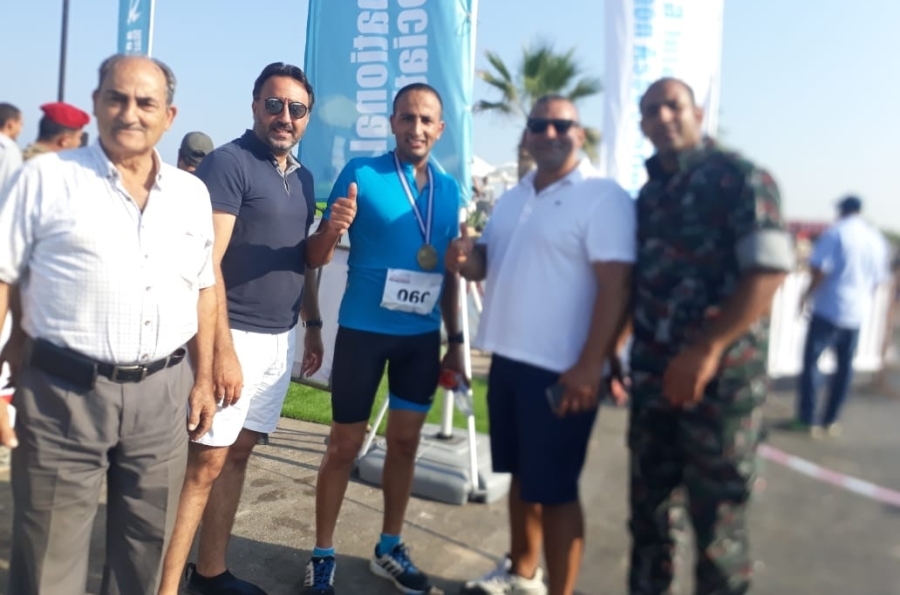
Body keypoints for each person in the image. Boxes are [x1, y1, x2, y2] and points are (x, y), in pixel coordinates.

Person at [0, 54, 218, 595]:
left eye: (146, 102)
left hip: (163, 399)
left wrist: (205, 378)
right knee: (48, 567)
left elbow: (204, 289)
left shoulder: (191, 195)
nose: (130, 113)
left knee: (143, 563)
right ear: (96, 104)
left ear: (169, 115)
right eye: (117, 98)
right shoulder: (45, 179)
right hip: (62, 395)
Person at [450, 95, 635, 595]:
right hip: (508, 360)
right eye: (539, 124)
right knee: (520, 478)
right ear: (528, 134)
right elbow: (488, 262)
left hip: (563, 370)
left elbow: (618, 286)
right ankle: (522, 572)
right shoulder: (516, 195)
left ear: (579, 134)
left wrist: (590, 365)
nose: (549, 133)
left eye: (561, 124)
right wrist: (467, 257)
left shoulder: (602, 196)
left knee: (555, 492)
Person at [159, 62, 323, 595]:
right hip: (234, 336)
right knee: (203, 465)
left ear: (307, 117)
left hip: (279, 338)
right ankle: (165, 586)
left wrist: (313, 325)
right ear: (255, 105)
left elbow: (301, 260)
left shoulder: (302, 178)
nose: (285, 116)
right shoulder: (229, 163)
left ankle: (210, 574)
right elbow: (206, 265)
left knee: (238, 455)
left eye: (296, 108)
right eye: (274, 104)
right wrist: (221, 353)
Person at [625, 78, 793, 595]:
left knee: (718, 532)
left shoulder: (740, 179)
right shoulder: (651, 194)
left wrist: (707, 349)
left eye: (672, 106)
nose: (663, 118)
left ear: (697, 112)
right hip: (655, 384)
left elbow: (768, 271)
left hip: (721, 390)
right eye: (651, 111)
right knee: (649, 521)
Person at [301, 82, 465, 595]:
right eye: (407, 117)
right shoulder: (362, 173)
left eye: (426, 120)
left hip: (421, 338)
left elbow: (449, 271)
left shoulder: (450, 189)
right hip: (364, 333)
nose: (416, 128)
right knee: (343, 446)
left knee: (405, 444)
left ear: (439, 128)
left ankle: (389, 546)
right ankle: (322, 553)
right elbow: (315, 257)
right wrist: (333, 228)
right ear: (393, 123)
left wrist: (457, 340)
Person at [788, 194, 891, 435]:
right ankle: (831, 418)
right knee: (844, 369)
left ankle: (807, 418)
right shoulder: (876, 239)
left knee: (812, 364)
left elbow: (820, 269)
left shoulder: (836, 233)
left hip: (829, 308)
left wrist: (806, 295)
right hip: (856, 313)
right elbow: (879, 279)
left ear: (842, 210)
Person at [22, 101, 90, 161]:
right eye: (79, 137)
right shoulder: (50, 166)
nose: (79, 143)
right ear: (64, 141)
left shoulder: (20, 156)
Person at [0, 102, 23, 192]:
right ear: (10, 124)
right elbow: (10, 187)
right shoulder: (9, 149)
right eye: (20, 124)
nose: (20, 130)